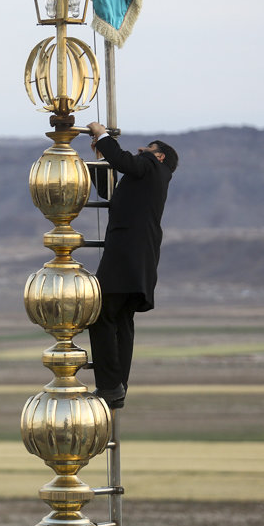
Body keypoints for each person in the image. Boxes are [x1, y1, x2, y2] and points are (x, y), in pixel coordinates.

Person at [84, 121, 178, 409]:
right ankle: (117, 387)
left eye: (148, 148)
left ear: (159, 156)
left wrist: (102, 135)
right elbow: (111, 193)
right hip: (137, 261)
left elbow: (124, 161)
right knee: (121, 321)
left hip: (127, 256)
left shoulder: (151, 168)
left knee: (100, 315)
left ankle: (110, 386)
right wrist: (102, 157)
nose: (141, 150)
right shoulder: (148, 178)